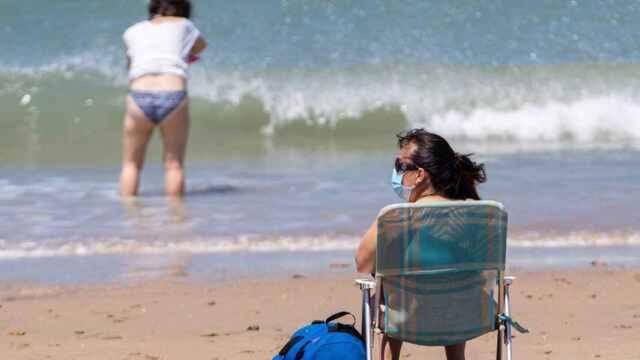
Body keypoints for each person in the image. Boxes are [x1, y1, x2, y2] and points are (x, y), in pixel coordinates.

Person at [355, 128, 487, 360]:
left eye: (400, 167)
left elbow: (362, 263)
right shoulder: (472, 215)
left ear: (420, 175)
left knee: (389, 282)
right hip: (466, 317)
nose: (396, 173)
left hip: (406, 319)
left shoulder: (395, 217)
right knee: (453, 281)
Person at [119, 0, 207, 197]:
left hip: (139, 96)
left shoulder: (132, 31)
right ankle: (176, 220)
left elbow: (131, 65)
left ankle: (127, 219)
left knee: (131, 165)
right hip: (173, 94)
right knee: (174, 165)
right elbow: (200, 46)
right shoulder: (185, 25)